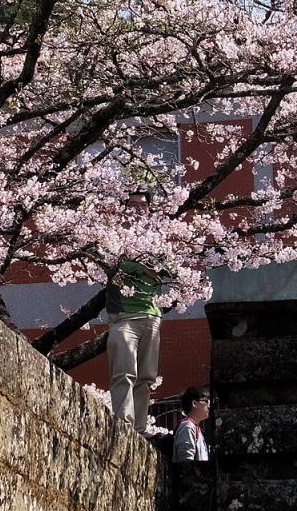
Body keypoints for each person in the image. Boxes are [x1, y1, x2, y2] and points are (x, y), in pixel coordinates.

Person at [106, 192, 163, 435]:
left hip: (151, 315)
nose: (138, 209)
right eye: (132, 205)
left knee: (146, 376)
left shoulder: (157, 239)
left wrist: (149, 270)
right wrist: (142, 268)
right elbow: (113, 265)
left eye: (143, 205)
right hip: (124, 316)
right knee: (124, 372)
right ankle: (124, 425)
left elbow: (164, 271)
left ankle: (140, 427)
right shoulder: (114, 236)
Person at [173, 386, 211, 462]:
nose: (209, 405)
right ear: (194, 403)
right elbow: (186, 462)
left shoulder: (196, 428)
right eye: (206, 401)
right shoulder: (187, 427)